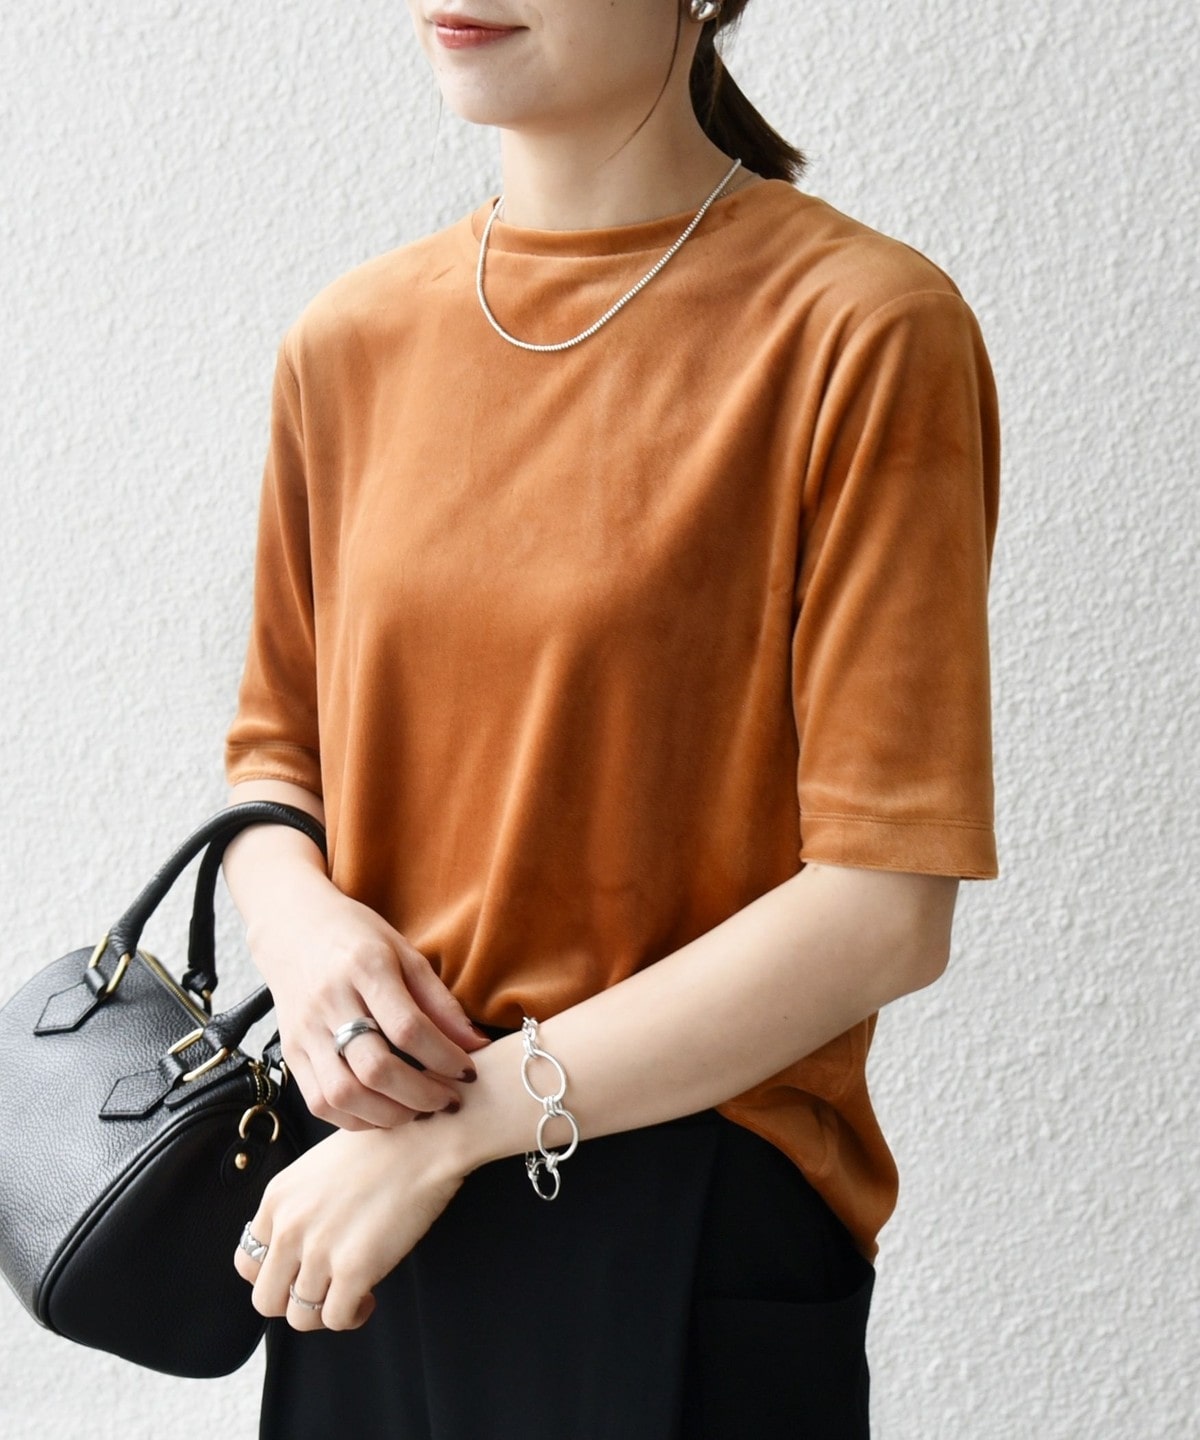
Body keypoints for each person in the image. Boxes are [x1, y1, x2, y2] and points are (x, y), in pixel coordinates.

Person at [224, 2, 1000, 1436]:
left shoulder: (861, 329)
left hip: (673, 1212)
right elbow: (276, 767)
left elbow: (885, 905)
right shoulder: (350, 341)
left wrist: (463, 1128)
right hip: (363, 1215)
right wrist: (301, 929)